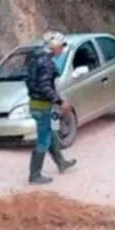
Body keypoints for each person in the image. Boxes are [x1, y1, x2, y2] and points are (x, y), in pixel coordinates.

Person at [25, 31, 77, 184]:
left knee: (50, 134)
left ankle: (61, 163)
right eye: (61, 46)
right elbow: (45, 87)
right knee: (43, 140)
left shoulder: (35, 59)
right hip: (41, 106)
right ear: (53, 46)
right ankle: (34, 175)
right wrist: (60, 102)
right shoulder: (46, 64)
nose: (62, 50)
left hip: (35, 103)